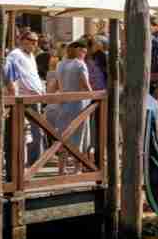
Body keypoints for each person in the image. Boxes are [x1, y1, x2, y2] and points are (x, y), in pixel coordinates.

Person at [46, 40, 92, 176]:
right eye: (83, 52)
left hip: (64, 103)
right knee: (79, 136)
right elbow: (85, 84)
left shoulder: (60, 64)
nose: (85, 54)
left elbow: (57, 85)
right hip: (79, 104)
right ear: (78, 50)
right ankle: (77, 169)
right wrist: (94, 95)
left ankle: (61, 168)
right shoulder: (79, 64)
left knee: (63, 136)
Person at [5, 30, 46, 164]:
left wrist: (41, 89)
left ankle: (35, 162)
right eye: (31, 40)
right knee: (22, 132)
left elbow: (32, 75)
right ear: (22, 40)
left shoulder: (32, 55)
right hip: (22, 99)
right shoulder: (14, 55)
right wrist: (14, 93)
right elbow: (9, 75)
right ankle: (24, 163)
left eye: (36, 41)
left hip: (35, 97)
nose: (34, 43)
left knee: (36, 131)